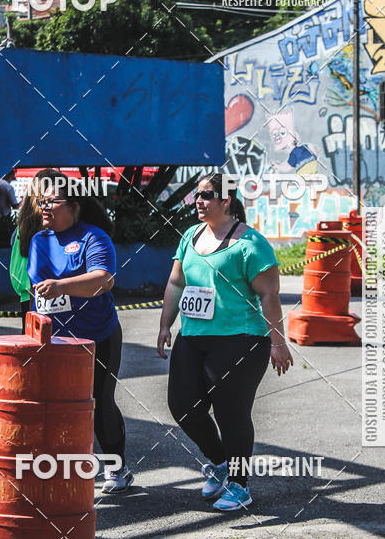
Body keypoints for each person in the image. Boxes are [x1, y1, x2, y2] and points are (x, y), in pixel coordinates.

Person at [157, 172, 293, 513]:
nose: (198, 202)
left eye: (205, 196)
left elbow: (269, 295)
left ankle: (240, 483)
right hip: (193, 337)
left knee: (232, 413)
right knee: (182, 405)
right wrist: (164, 326)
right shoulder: (190, 236)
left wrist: (278, 343)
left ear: (226, 200)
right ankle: (219, 463)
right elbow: (176, 283)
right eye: (197, 196)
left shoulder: (250, 244)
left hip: (241, 340)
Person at [27, 169, 133, 494]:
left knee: (100, 403)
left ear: (74, 205)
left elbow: (103, 280)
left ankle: (118, 469)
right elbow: (36, 288)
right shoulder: (38, 241)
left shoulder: (93, 237)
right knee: (56, 408)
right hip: (56, 341)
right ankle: (63, 471)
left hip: (99, 336)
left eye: (52, 202)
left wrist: (61, 286)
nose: (44, 208)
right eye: (41, 202)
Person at [10, 182, 42, 332]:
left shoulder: (20, 227)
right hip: (37, 294)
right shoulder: (44, 229)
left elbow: (17, 267)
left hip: (28, 293)